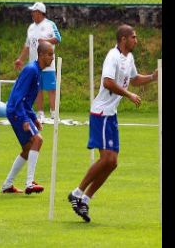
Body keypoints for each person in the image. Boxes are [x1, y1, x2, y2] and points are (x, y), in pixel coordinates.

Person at [67, 25, 159, 223]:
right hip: (101, 113)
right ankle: (76, 192)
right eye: (134, 37)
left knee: (112, 162)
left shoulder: (129, 58)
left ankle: (84, 199)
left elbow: (134, 80)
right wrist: (128, 95)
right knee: (106, 159)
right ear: (123, 39)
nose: (137, 40)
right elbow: (107, 82)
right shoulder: (113, 56)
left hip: (111, 115)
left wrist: (152, 77)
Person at [1, 41, 55, 196]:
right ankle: (29, 183)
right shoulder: (31, 70)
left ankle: (7, 185)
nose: (52, 58)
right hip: (16, 111)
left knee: (27, 148)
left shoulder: (37, 71)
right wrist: (25, 119)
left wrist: (33, 117)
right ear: (41, 55)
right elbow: (18, 96)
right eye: (50, 54)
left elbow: (27, 99)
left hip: (21, 111)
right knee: (38, 140)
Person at [13, 2, 61, 122]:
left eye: (34, 12)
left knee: (51, 88)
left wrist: (45, 40)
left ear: (40, 12)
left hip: (48, 64)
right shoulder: (31, 27)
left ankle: (54, 113)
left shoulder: (50, 24)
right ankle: (40, 113)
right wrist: (20, 59)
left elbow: (58, 39)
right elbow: (27, 45)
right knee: (37, 89)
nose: (32, 14)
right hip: (34, 64)